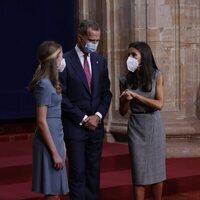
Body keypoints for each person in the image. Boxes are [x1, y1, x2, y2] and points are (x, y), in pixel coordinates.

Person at [59, 19, 112, 200]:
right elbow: (61, 97)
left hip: (96, 127)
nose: (94, 44)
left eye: (97, 41)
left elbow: (106, 93)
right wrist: (83, 118)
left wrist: (97, 116)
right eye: (91, 40)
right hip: (75, 127)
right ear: (80, 38)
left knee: (93, 174)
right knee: (78, 173)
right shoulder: (64, 60)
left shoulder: (101, 61)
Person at [119, 41, 166, 200]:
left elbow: (159, 104)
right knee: (139, 172)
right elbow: (123, 112)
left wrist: (136, 96)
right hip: (136, 126)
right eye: (128, 55)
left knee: (157, 170)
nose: (130, 58)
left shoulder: (156, 75)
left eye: (133, 55)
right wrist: (125, 100)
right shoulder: (125, 80)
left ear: (143, 57)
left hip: (154, 124)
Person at [28, 41, 69, 200]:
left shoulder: (52, 83)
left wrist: (62, 145)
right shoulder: (44, 84)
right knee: (51, 191)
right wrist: (54, 153)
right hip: (48, 140)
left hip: (56, 136)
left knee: (55, 189)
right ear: (53, 59)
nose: (62, 59)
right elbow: (41, 121)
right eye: (60, 56)